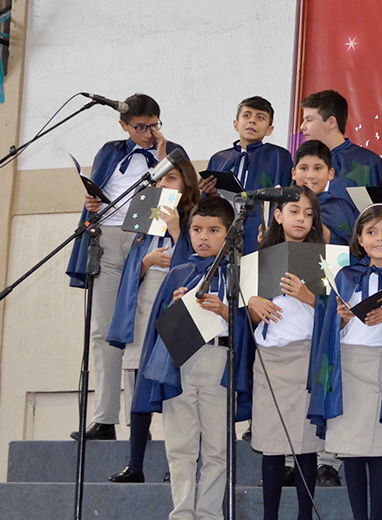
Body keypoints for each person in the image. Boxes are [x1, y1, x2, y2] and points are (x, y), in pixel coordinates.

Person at [66, 93, 185, 441]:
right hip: (107, 237)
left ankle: (139, 420)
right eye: (140, 127)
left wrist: (162, 158)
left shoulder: (172, 151)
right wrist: (91, 203)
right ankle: (104, 417)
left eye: (154, 125)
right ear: (124, 125)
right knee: (104, 329)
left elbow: (178, 197)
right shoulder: (110, 150)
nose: (148, 132)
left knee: (139, 330)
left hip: (145, 239)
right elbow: (101, 191)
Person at [134, 196, 254, 520]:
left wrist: (226, 311)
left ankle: (210, 514)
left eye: (214, 230)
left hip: (218, 361)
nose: (203, 237)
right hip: (180, 361)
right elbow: (158, 329)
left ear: (230, 235)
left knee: (217, 447)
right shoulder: (179, 273)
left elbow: (253, 325)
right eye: (197, 229)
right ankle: (182, 512)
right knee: (180, 446)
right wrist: (175, 307)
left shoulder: (240, 274)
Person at [308, 204, 382, 520]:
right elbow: (327, 327)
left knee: (380, 451)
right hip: (348, 367)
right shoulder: (346, 276)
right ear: (360, 237)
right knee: (352, 451)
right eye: (371, 232)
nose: (379, 239)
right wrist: (341, 320)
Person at [106, 158, 201, 483]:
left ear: (185, 184)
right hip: (144, 310)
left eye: (171, 178)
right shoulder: (146, 222)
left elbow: (197, 264)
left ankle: (177, 466)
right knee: (137, 391)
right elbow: (132, 270)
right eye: (160, 180)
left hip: (175, 308)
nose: (163, 186)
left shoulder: (195, 219)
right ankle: (135, 465)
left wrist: (177, 231)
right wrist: (144, 263)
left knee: (176, 390)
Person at [247, 185, 324, 519]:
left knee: (306, 446)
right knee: (272, 445)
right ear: (278, 215)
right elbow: (244, 316)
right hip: (269, 361)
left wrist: (309, 297)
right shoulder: (258, 258)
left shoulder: (325, 259)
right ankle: (270, 515)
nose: (301, 219)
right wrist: (252, 303)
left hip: (305, 357)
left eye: (308, 214)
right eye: (294, 212)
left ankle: (305, 514)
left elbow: (339, 312)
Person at [204, 96, 293, 254]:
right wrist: (210, 193)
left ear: (269, 129)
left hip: (259, 233)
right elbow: (207, 203)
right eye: (246, 115)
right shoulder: (219, 159)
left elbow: (287, 197)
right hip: (224, 233)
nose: (252, 121)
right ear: (236, 124)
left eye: (260, 117)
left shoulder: (279, 157)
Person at [299, 90, 382, 199]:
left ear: (331, 122)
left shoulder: (369, 163)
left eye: (309, 120)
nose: (302, 126)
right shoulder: (302, 162)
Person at [291, 139, 360, 245]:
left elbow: (354, 249)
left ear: (330, 173)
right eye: (304, 168)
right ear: (294, 173)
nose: (310, 176)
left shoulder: (341, 208)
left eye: (318, 168)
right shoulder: (284, 207)